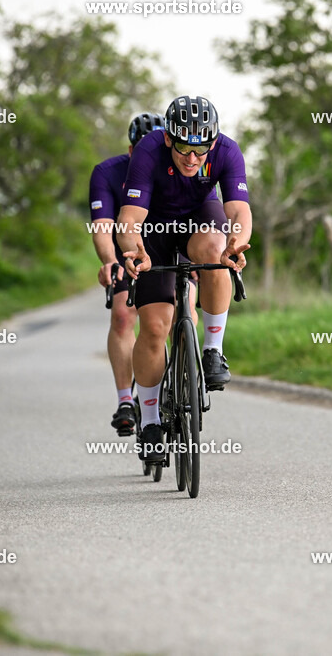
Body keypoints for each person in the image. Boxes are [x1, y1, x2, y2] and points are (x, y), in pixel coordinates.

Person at [116, 95, 251, 461]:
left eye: (201, 150)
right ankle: (150, 422)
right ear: (168, 138)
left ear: (213, 142)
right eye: (183, 149)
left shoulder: (227, 151)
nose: (192, 159)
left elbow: (239, 210)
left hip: (199, 217)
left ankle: (213, 351)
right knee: (155, 327)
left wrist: (236, 243)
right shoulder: (149, 151)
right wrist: (134, 250)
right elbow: (129, 218)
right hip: (155, 229)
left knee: (216, 252)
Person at [88, 112, 169, 436]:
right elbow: (102, 227)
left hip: (170, 247)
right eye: (142, 147)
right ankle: (126, 400)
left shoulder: (177, 167)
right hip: (129, 250)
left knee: (184, 311)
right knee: (123, 315)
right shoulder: (108, 173)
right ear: (131, 149)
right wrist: (110, 260)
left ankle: (179, 380)